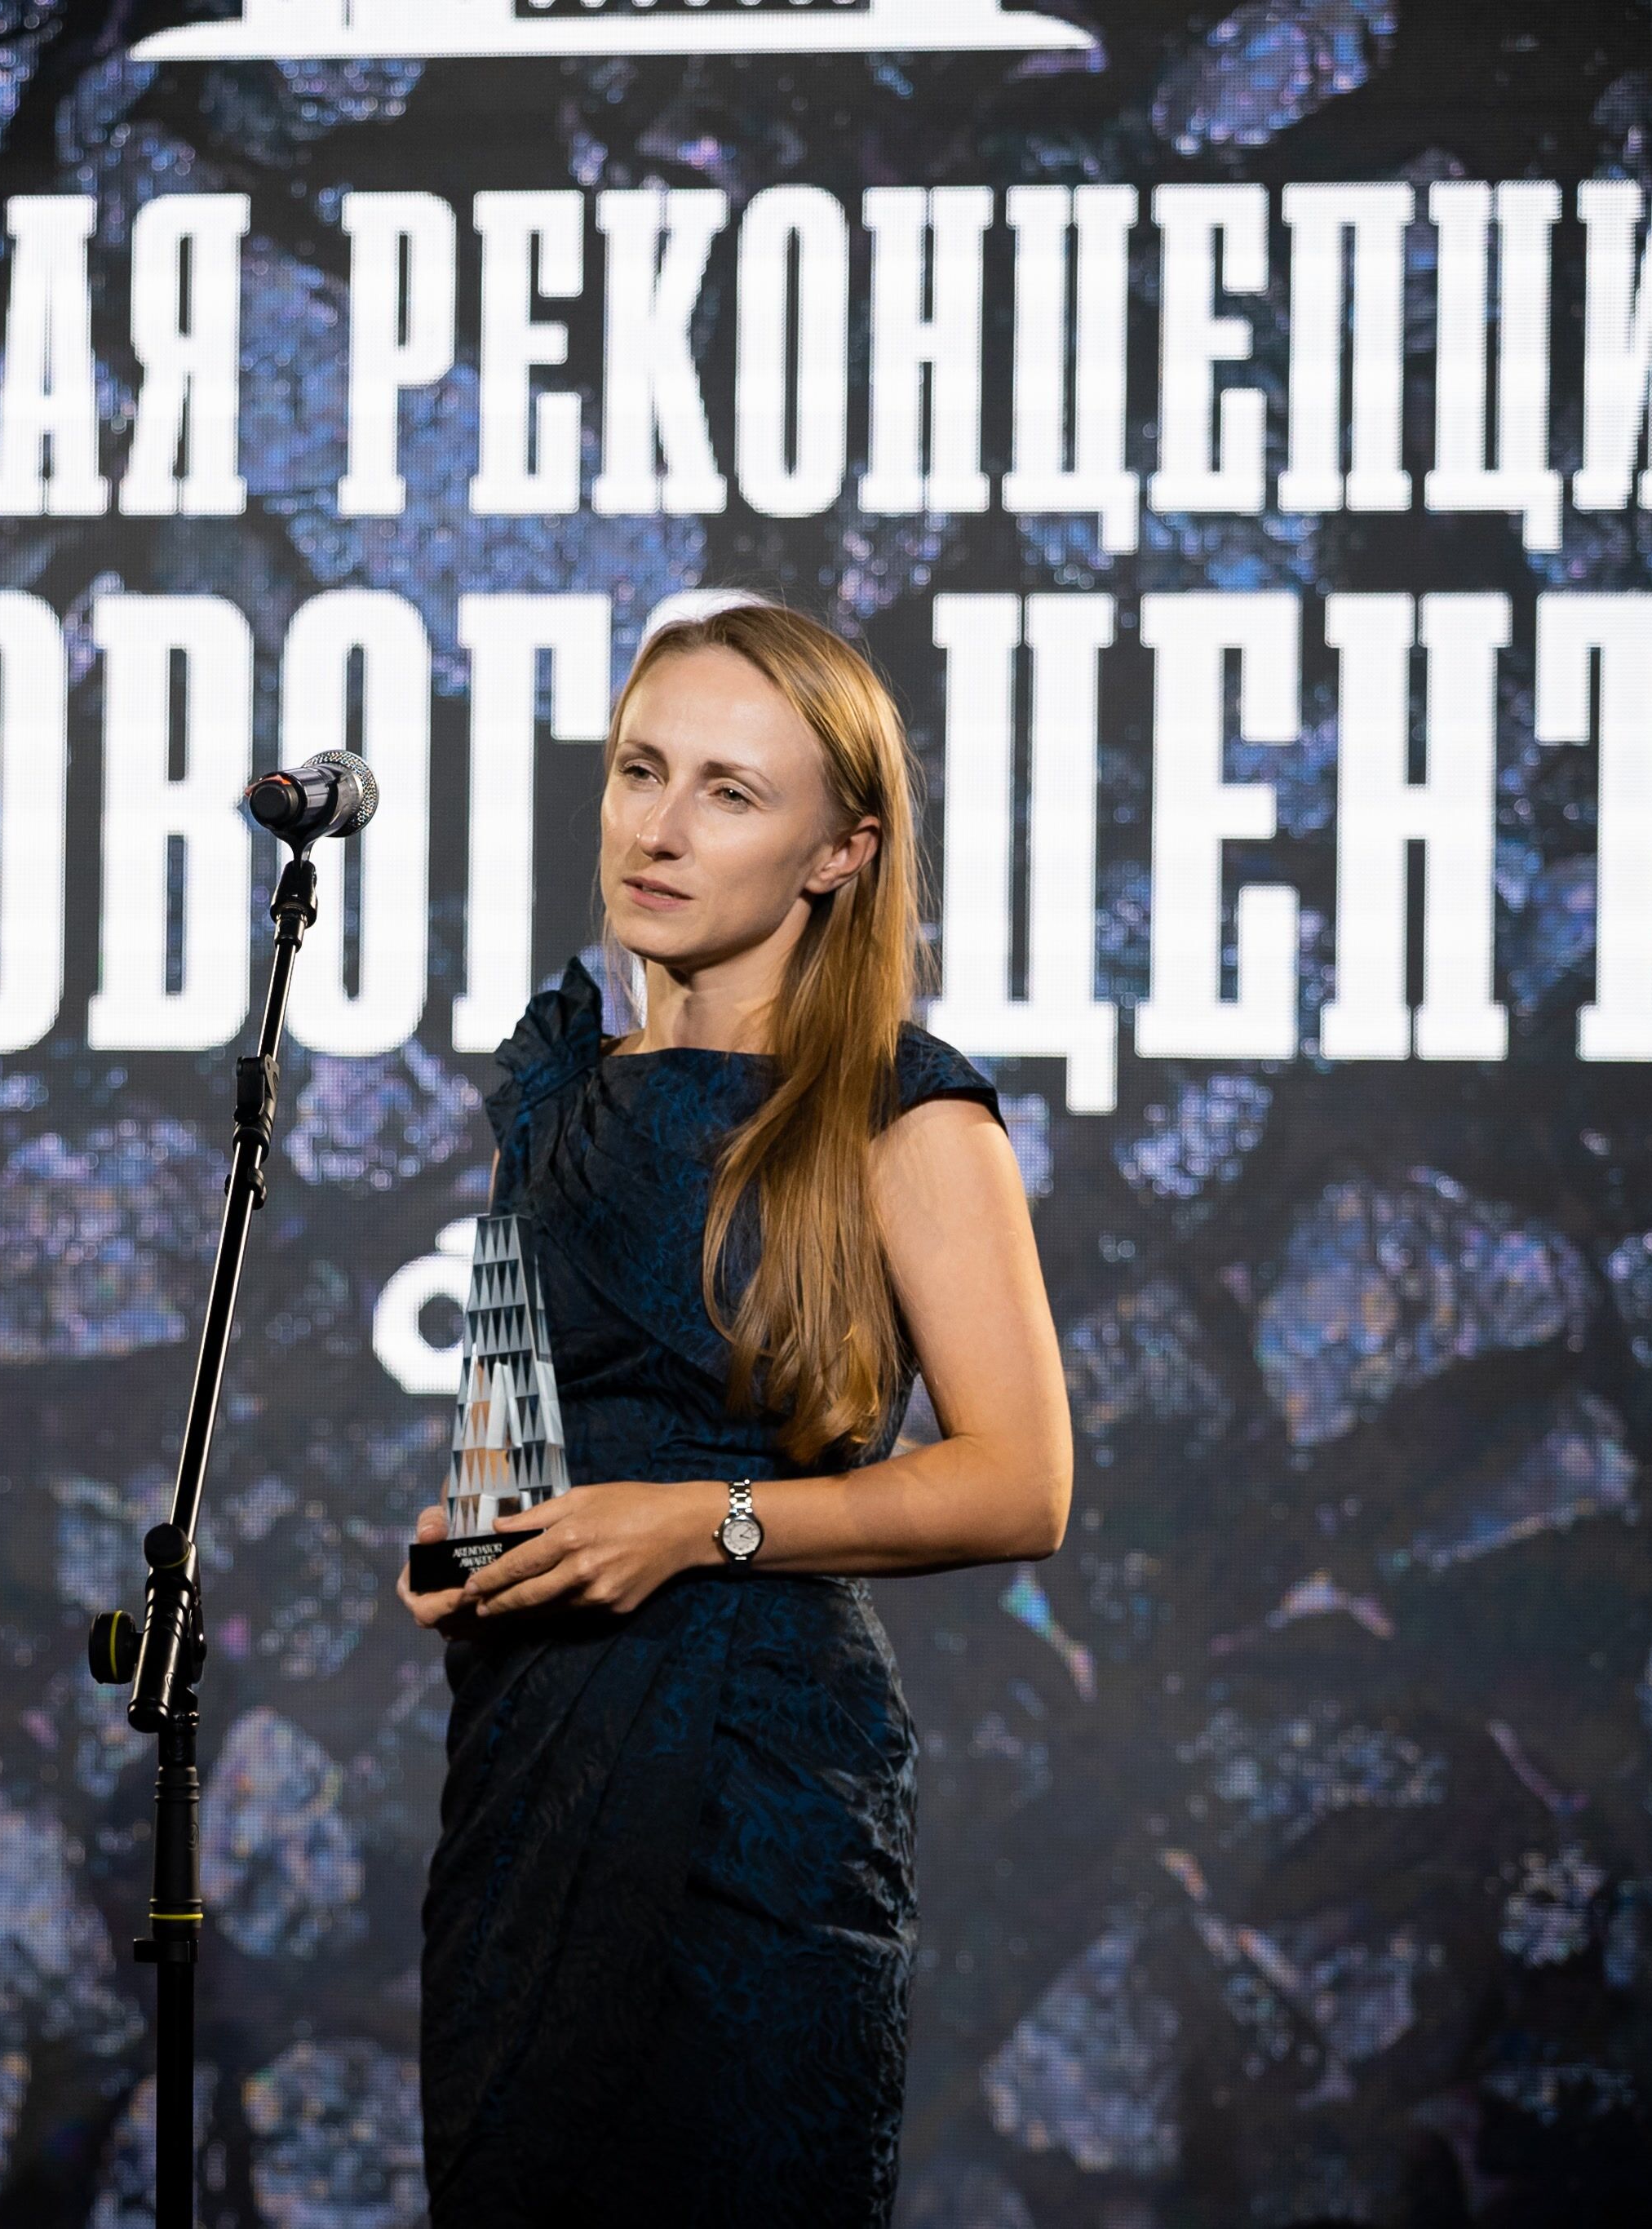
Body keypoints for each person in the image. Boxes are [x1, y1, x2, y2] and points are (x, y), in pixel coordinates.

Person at [399, 596, 1071, 2227]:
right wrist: (465, 1545)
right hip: (532, 1762)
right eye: (641, 770)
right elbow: (501, 1437)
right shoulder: (555, 1096)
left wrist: (702, 1523)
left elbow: (1019, 1484)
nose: (659, 827)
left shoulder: (904, 1112)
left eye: (728, 791)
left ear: (838, 851)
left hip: (756, 1775)